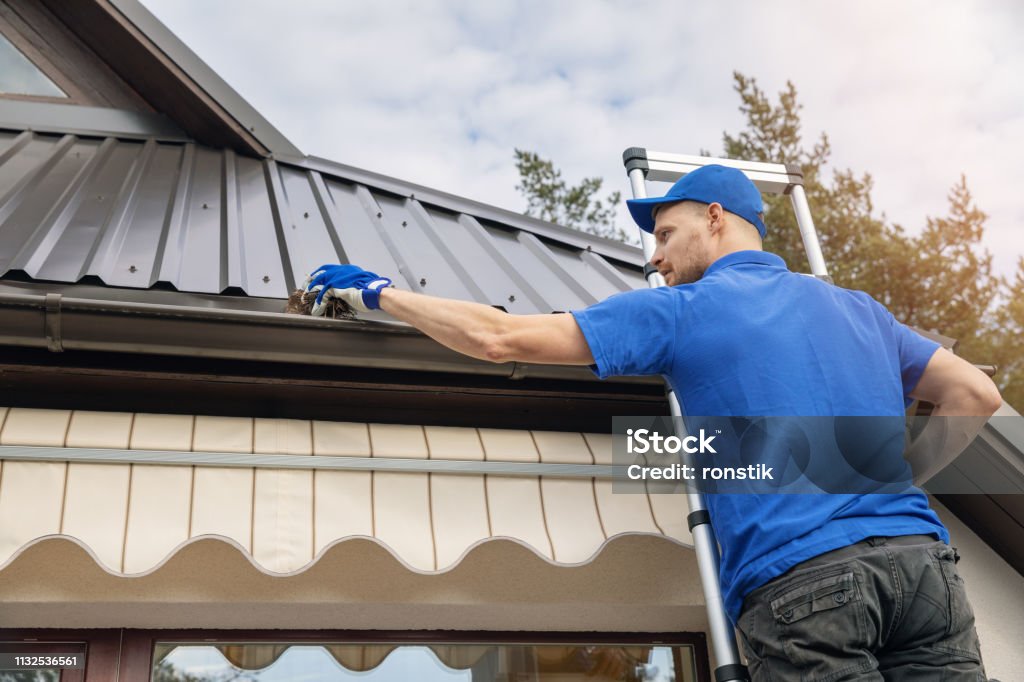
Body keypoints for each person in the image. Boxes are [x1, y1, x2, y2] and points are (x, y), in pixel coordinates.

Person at [302, 164, 1002, 681]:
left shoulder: (684, 311)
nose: (655, 255)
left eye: (667, 233)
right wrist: (887, 478)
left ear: (718, 218)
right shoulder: (857, 309)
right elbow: (973, 393)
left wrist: (379, 292)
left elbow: (500, 338)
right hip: (923, 572)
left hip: (805, 583)